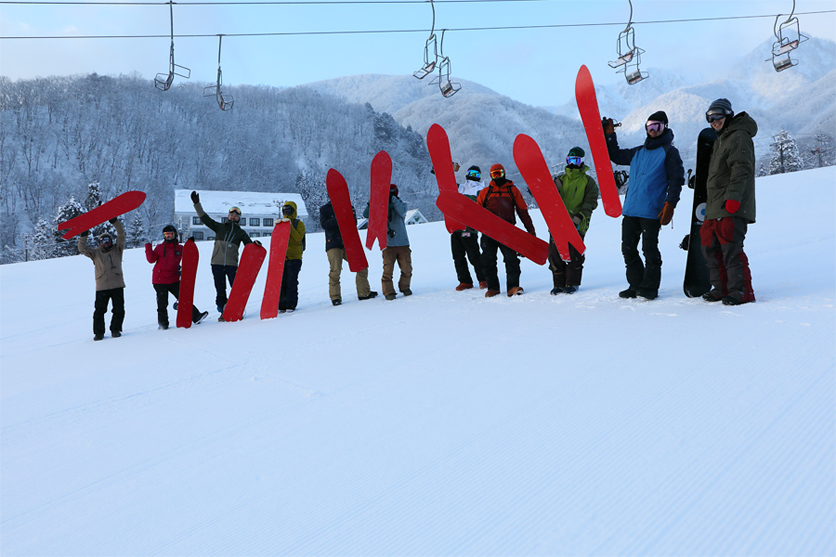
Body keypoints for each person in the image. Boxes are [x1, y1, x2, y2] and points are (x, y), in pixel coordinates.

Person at [604, 110, 685, 300]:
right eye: (650, 126)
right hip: (631, 209)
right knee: (628, 249)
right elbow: (615, 156)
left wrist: (670, 204)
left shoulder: (669, 152)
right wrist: (609, 135)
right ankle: (636, 285)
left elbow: (677, 179)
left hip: (652, 211)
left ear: (664, 127)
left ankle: (649, 288)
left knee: (649, 250)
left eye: (657, 126)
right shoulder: (638, 152)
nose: (653, 130)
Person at [700, 98, 757, 305]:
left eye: (717, 116)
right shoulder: (722, 138)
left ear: (728, 115)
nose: (713, 121)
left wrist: (733, 198)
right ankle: (721, 288)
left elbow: (741, 169)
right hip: (715, 206)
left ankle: (741, 292)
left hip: (730, 205)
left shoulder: (739, 136)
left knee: (731, 249)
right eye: (710, 118)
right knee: (709, 247)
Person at [476, 163, 537, 298]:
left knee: (511, 259)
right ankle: (493, 288)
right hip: (489, 231)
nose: (497, 177)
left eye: (499, 173)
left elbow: (522, 211)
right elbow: (476, 212)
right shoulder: (485, 192)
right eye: (494, 174)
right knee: (488, 260)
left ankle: (513, 286)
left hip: (508, 231)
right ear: (491, 176)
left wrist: (530, 230)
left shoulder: (512, 190)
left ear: (504, 173)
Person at [190, 191, 254, 314]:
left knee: (236, 288)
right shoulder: (220, 227)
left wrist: (256, 246)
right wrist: (197, 204)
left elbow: (249, 247)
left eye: (236, 215)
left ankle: (237, 307)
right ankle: (222, 309)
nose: (233, 216)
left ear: (239, 218)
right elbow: (205, 218)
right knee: (220, 289)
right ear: (228, 216)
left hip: (232, 264)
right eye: (231, 214)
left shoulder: (241, 233)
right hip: (217, 263)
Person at [548, 147, 599, 295]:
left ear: (581, 161)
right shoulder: (561, 180)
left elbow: (590, 202)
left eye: (575, 160)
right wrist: (539, 189)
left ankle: (572, 282)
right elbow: (550, 194)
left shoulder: (588, 182)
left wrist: (579, 217)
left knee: (573, 252)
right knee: (555, 254)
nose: (572, 163)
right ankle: (559, 284)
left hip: (578, 222)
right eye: (570, 160)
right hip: (558, 222)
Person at [144, 225, 209, 329]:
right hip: (159, 280)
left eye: (170, 234)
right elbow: (151, 260)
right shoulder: (160, 248)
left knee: (184, 298)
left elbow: (189, 257)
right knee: (162, 304)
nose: (168, 236)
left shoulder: (180, 248)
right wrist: (148, 245)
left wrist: (190, 244)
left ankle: (196, 316)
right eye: (166, 234)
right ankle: (163, 324)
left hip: (173, 279)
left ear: (174, 235)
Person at [320, 199, 377, 306]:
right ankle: (335, 297)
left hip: (348, 243)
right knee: (335, 271)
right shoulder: (325, 209)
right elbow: (324, 224)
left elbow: (353, 223)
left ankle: (363, 293)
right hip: (333, 243)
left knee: (362, 266)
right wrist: (338, 218)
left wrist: (348, 213)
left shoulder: (348, 207)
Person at [78, 218, 125, 341]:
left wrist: (114, 222)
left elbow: (121, 234)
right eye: (103, 240)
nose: (106, 242)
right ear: (100, 242)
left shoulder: (118, 249)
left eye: (108, 240)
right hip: (102, 286)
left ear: (111, 241)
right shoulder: (95, 253)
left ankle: (115, 330)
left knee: (118, 309)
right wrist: (84, 235)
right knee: (99, 311)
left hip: (117, 285)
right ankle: (99, 333)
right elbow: (82, 248)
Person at [365, 184, 412, 301]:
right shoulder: (380, 206)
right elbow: (366, 214)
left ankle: (405, 287)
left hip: (402, 242)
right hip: (388, 243)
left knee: (407, 268)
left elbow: (401, 212)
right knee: (388, 270)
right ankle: (389, 291)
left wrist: (393, 200)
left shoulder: (401, 204)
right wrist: (373, 201)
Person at [451, 165, 487, 291]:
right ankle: (465, 281)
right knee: (458, 256)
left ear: (480, 177)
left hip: (469, 228)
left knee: (474, 255)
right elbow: (446, 184)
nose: (473, 176)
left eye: (476, 174)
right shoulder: (461, 187)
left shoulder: (481, 190)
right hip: (456, 226)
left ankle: (483, 279)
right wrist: (438, 172)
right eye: (471, 173)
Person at [278, 201, 305, 313]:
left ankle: (291, 304)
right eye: (285, 210)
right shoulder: (281, 223)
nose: (287, 213)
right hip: (283, 258)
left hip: (295, 258)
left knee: (291, 281)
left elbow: (298, 238)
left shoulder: (299, 224)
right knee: (281, 281)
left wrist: (289, 225)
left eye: (289, 210)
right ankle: (281, 304)